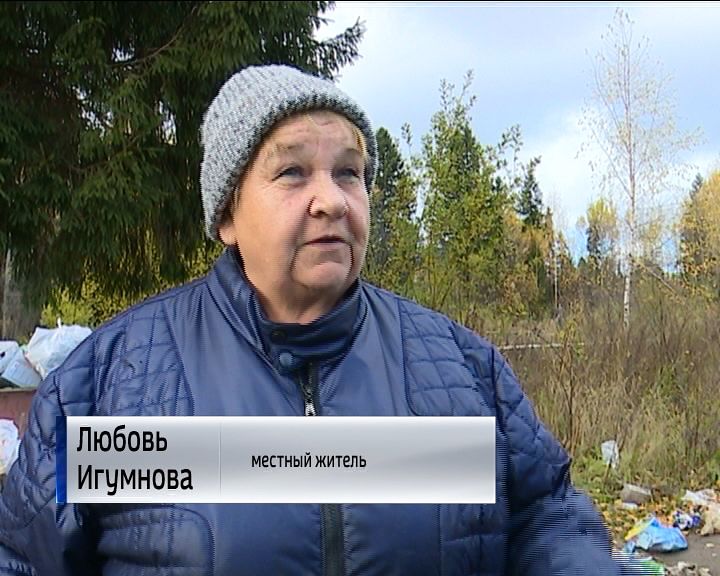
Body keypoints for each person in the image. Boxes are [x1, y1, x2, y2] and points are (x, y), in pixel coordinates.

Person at [0, 64, 638, 575]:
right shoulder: (114, 384)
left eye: (349, 174)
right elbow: (24, 557)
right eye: (292, 172)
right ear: (226, 215)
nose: (331, 200)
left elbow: (545, 517)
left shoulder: (459, 372)